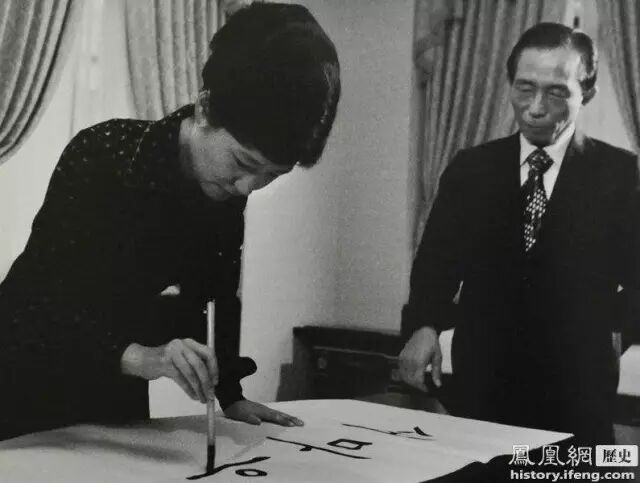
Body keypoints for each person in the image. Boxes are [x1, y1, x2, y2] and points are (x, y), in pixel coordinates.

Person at [0, 3, 340, 440]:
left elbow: (216, 297)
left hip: (112, 391)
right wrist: (147, 357)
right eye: (243, 162)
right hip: (21, 375)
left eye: (271, 175)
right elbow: (44, 303)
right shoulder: (103, 154)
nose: (248, 187)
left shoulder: (223, 190)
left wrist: (231, 395)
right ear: (205, 108)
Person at [399, 22, 639, 445]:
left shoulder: (622, 175)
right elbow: (436, 264)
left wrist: (609, 331)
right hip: (482, 387)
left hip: (578, 393)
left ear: (587, 93)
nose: (535, 108)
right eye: (524, 88)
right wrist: (423, 326)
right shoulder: (471, 169)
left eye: (557, 92)